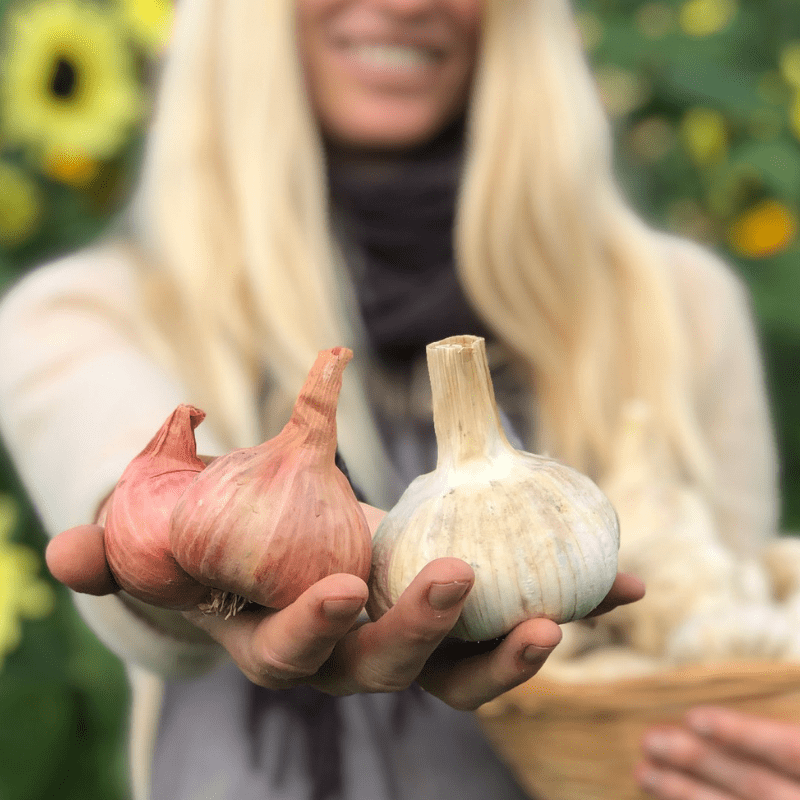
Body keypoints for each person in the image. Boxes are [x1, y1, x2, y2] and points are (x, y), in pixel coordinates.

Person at [0, 1, 795, 799]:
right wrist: (187, 561)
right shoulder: (87, 313)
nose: (407, 2)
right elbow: (125, 485)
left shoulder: (681, 310)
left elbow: (730, 638)